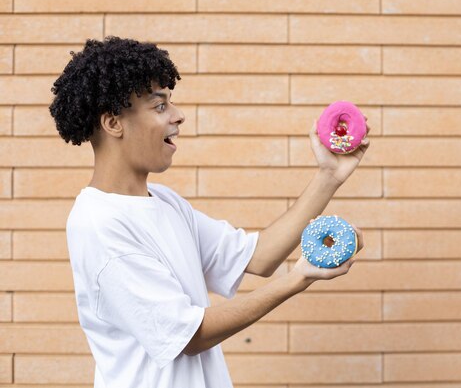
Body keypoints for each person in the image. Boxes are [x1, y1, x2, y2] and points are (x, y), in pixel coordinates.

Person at [49, 36, 370, 388]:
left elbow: (259, 257)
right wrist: (298, 278)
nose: (178, 115)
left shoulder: (166, 203)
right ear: (113, 123)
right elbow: (189, 336)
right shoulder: (99, 224)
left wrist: (329, 175)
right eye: (160, 107)